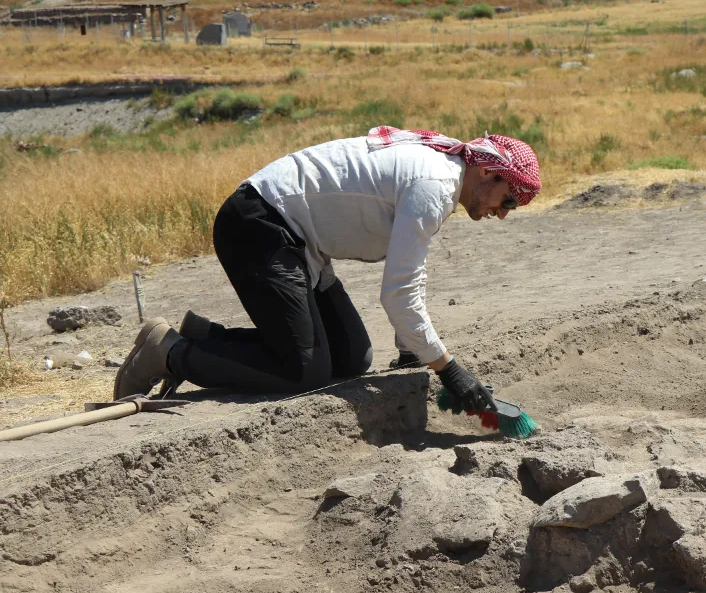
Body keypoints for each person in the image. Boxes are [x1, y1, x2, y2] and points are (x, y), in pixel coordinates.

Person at [113, 126, 541, 416]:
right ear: (488, 171)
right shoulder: (434, 185)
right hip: (259, 227)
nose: (503, 213)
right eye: (508, 200)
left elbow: (410, 269)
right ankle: (168, 352)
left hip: (302, 245)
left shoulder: (443, 174)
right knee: (303, 370)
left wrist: (412, 348)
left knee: (353, 357)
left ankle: (208, 338)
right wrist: (448, 368)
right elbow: (399, 294)